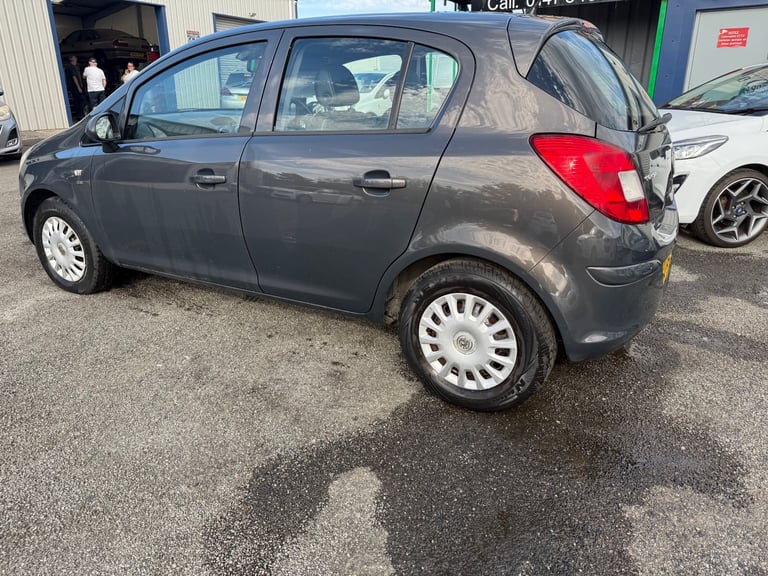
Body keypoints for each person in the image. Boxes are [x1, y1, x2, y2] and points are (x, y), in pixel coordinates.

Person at [64, 55, 86, 120]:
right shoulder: (71, 67)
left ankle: (79, 114)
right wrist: (78, 87)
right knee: (81, 100)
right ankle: (80, 115)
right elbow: (74, 77)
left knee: (78, 101)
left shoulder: (73, 67)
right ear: (72, 59)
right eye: (75, 58)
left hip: (75, 88)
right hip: (75, 88)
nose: (76, 59)